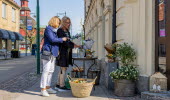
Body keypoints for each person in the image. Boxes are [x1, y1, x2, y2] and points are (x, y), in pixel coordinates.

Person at [40, 16, 68, 97]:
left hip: (53, 53)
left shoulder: (54, 30)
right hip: (48, 52)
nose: (59, 24)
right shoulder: (48, 29)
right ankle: (43, 89)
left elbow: (56, 42)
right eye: (58, 23)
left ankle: (48, 87)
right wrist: (62, 39)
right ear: (54, 22)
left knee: (51, 70)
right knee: (46, 71)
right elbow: (52, 39)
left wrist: (58, 50)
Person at [56, 16, 80, 90]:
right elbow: (64, 42)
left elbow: (68, 41)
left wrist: (74, 43)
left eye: (69, 22)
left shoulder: (67, 31)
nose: (68, 24)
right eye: (67, 22)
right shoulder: (60, 31)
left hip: (67, 52)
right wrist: (74, 45)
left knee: (63, 68)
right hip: (62, 51)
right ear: (63, 22)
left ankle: (58, 83)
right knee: (63, 68)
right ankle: (62, 85)